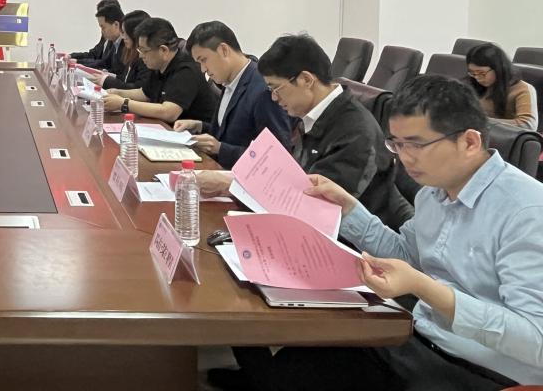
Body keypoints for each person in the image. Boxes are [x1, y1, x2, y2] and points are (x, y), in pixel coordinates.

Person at [212, 75, 543, 391]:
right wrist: (349, 209)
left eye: (416, 144)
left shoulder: (526, 212)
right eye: (397, 143)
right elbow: (407, 256)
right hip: (418, 336)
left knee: (289, 375)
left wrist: (422, 287)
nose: (405, 158)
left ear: (469, 142)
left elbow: (535, 339)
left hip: (478, 369)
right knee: (285, 359)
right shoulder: (433, 193)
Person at [194, 34, 412, 231]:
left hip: (351, 245)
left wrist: (232, 185)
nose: (274, 98)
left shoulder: (355, 132)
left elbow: (314, 206)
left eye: (276, 88)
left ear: (306, 80)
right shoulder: (310, 116)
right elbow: (293, 176)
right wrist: (232, 179)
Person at [172, 21, 290, 168]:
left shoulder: (263, 90)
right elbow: (234, 133)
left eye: (204, 60)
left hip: (239, 177)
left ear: (223, 50)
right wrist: (199, 126)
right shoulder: (229, 81)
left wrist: (221, 149)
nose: (203, 69)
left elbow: (277, 155)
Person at [102, 17, 218, 123]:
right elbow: (145, 93)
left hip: (194, 135)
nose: (141, 56)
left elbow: (169, 112)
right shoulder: (158, 65)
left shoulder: (186, 70)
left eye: (144, 51)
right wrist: (116, 92)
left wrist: (124, 103)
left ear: (163, 50)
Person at [465, 42, 538, 130]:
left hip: (506, 137)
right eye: (473, 73)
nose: (477, 78)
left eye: (482, 73)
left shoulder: (522, 89)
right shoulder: (474, 84)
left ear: (498, 68)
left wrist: (481, 121)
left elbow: (527, 124)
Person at [86, 9, 151, 90]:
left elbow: (139, 89)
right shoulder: (130, 52)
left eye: (124, 33)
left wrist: (106, 80)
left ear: (135, 33)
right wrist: (108, 76)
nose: (122, 37)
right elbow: (125, 78)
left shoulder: (146, 58)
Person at [70, 0, 124, 70]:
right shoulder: (108, 37)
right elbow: (94, 55)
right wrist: (72, 57)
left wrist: (77, 62)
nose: (101, 31)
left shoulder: (121, 41)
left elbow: (106, 64)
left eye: (103, 26)